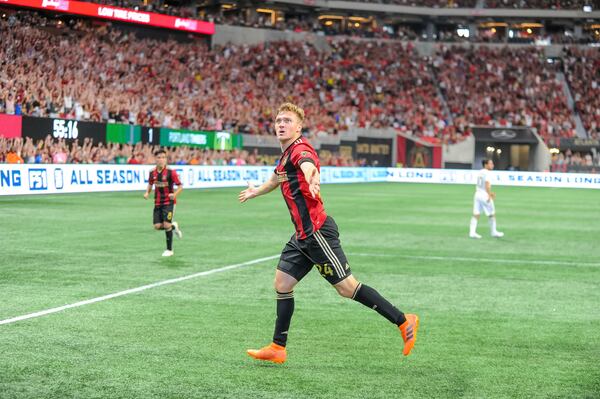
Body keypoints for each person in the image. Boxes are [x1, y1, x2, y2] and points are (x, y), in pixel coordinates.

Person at [239, 103, 419, 364]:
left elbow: (308, 165)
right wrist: (257, 191)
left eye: (287, 120)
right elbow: (277, 178)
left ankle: (403, 321)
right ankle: (278, 348)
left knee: (347, 288)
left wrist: (312, 176)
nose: (280, 124)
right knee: (282, 284)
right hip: (302, 236)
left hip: (317, 232)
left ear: (298, 127)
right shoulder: (286, 154)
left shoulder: (300, 149)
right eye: (278, 120)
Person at [144, 149, 183, 256]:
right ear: (155, 159)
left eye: (163, 157)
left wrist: (174, 195)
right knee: (157, 226)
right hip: (157, 203)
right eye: (159, 157)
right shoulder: (152, 172)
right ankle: (173, 226)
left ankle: (169, 250)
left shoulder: (171, 172)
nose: (161, 160)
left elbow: (180, 186)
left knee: (166, 225)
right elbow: (150, 184)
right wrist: (147, 192)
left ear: (166, 159)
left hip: (169, 203)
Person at [469, 159, 504, 239]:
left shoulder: (480, 172)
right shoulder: (487, 173)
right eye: (490, 163)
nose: (492, 165)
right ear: (485, 165)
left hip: (477, 194)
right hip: (484, 195)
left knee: (476, 214)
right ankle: (493, 232)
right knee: (492, 213)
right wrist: (489, 195)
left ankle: (472, 232)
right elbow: (487, 184)